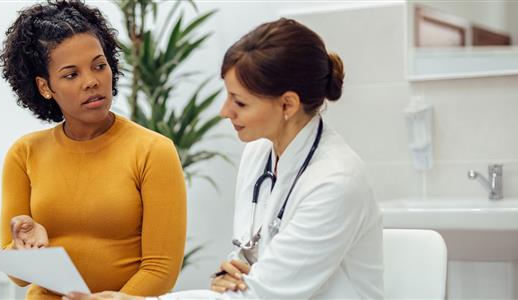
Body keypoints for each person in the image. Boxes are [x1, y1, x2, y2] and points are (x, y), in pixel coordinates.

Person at [65, 17, 383, 300]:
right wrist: (228, 275)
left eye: (240, 103)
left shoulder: (336, 183)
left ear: (287, 105)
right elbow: (243, 259)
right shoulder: (259, 153)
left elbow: (259, 294)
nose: (224, 112)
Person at [0, 1, 187, 299]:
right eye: (71, 75)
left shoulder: (154, 151)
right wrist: (25, 250)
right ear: (45, 87)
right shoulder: (24, 154)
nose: (92, 81)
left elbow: (161, 268)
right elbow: (18, 275)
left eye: (99, 65)